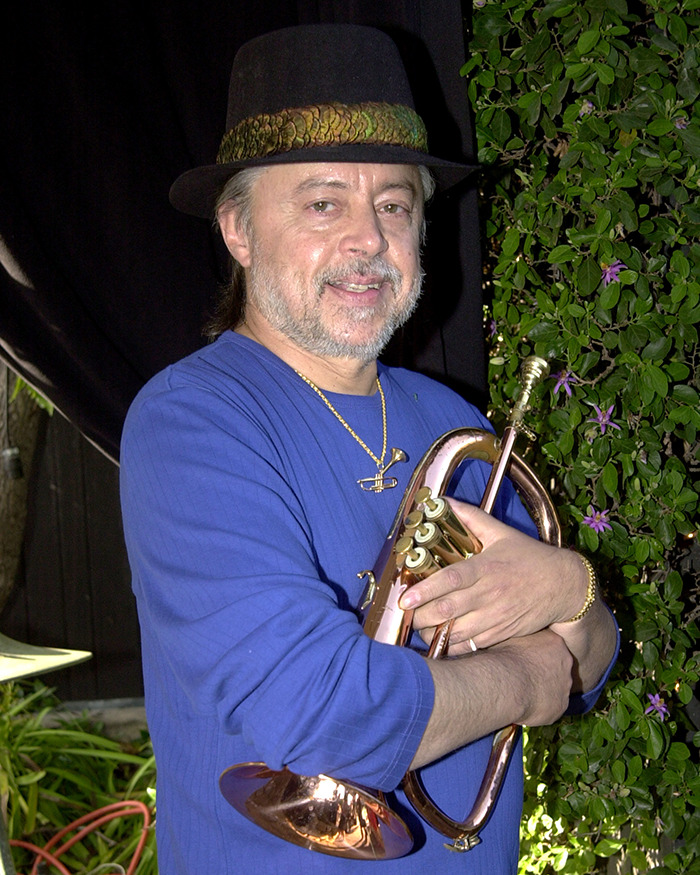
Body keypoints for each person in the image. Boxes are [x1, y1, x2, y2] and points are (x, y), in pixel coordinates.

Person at [119, 23, 619, 874]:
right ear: (237, 231)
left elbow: (591, 666)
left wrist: (573, 595)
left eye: (393, 203)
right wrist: (527, 677)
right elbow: (325, 714)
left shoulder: (451, 421)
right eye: (324, 203)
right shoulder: (190, 420)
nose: (368, 239)